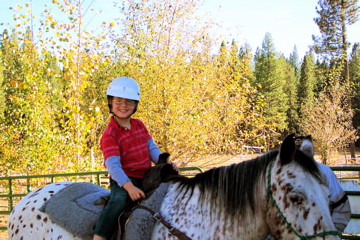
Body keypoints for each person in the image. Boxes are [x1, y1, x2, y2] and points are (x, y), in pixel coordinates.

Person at [92, 77, 178, 240]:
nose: (123, 105)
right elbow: (113, 166)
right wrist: (129, 187)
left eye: (129, 102)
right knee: (118, 201)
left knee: (174, 186)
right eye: (118, 101)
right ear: (110, 102)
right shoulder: (110, 135)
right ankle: (100, 235)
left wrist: (163, 164)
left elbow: (151, 148)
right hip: (124, 179)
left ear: (135, 105)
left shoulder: (139, 125)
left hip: (147, 175)